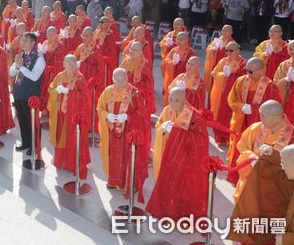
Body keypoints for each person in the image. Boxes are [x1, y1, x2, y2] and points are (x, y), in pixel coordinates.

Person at [146, 87, 209, 220]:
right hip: (167, 153)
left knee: (181, 187)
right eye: (170, 99)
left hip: (184, 158)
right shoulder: (166, 110)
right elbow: (159, 125)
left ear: (184, 100)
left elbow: (202, 139)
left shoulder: (194, 115)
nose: (173, 103)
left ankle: (179, 213)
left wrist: (176, 131)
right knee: (166, 182)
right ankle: (165, 209)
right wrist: (162, 129)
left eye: (177, 100)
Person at [227, 57, 282, 183]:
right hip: (241, 123)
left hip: (259, 127)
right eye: (246, 70)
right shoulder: (241, 81)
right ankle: (236, 176)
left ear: (261, 71)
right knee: (239, 149)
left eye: (251, 72)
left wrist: (254, 109)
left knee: (253, 153)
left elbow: (275, 108)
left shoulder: (269, 86)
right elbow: (232, 99)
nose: (247, 74)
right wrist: (241, 106)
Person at [228, 143, 294, 244]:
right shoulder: (289, 172)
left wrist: (284, 239)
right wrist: (272, 154)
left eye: (284, 165)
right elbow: (282, 162)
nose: (282, 168)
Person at [97, 68, 147, 198]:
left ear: (127, 78)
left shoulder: (134, 93)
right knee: (113, 156)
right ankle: (114, 181)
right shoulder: (108, 91)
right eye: (117, 80)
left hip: (129, 133)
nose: (120, 82)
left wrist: (128, 117)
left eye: (123, 79)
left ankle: (130, 184)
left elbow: (142, 113)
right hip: (112, 132)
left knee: (128, 157)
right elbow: (99, 107)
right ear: (112, 79)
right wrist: (106, 115)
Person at [232, 100, 293, 201]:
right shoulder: (256, 128)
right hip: (250, 180)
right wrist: (251, 157)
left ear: (277, 118)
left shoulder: (291, 136)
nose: (260, 118)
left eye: (263, 116)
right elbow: (242, 146)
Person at [46, 55, 91, 178]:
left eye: (68, 62)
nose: (66, 64)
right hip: (60, 113)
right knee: (60, 135)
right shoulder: (60, 75)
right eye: (65, 62)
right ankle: (61, 161)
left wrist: (69, 92)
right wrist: (57, 91)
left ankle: (72, 164)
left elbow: (85, 97)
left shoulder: (80, 78)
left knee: (72, 138)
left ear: (73, 64)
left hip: (73, 115)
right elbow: (51, 88)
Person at [10, 32, 45, 153]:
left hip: (30, 96)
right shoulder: (21, 56)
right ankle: (25, 143)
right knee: (22, 121)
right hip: (19, 93)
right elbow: (11, 72)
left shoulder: (39, 58)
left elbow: (34, 77)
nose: (23, 43)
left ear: (33, 42)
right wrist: (16, 66)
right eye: (22, 41)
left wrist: (21, 67)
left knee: (32, 122)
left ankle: (34, 146)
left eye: (25, 41)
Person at [209, 41, 247, 145]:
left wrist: (233, 74)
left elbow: (245, 78)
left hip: (235, 94)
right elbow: (214, 72)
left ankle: (228, 138)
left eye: (231, 50)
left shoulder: (243, 63)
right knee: (221, 115)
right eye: (226, 50)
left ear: (238, 51)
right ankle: (220, 137)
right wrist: (223, 75)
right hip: (222, 93)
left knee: (230, 115)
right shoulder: (223, 61)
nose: (228, 53)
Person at [161, 32, 195, 101]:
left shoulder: (190, 51)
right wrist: (172, 62)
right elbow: (165, 61)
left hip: (183, 77)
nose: (179, 41)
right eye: (177, 39)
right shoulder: (174, 50)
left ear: (186, 40)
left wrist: (181, 62)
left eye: (181, 39)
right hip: (173, 75)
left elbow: (192, 65)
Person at [203, 24, 234, 91]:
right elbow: (208, 49)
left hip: (224, 68)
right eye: (223, 30)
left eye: (227, 31)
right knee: (212, 85)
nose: (224, 32)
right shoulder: (216, 40)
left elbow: (233, 56)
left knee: (220, 88)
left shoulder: (232, 43)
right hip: (214, 66)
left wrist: (223, 50)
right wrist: (213, 49)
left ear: (231, 32)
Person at [274, 40, 294, 123]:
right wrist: (286, 80)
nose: (292, 52)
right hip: (286, 100)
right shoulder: (284, 64)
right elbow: (276, 81)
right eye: (290, 49)